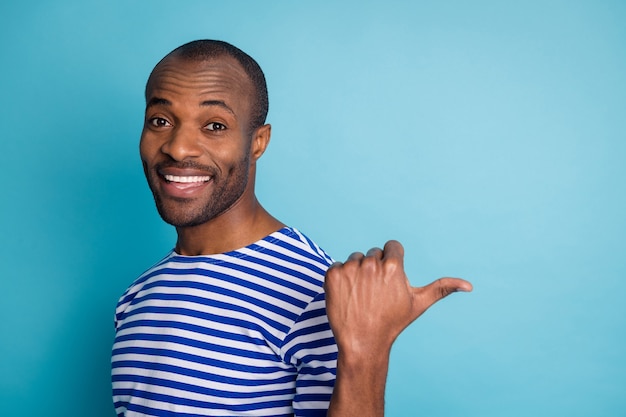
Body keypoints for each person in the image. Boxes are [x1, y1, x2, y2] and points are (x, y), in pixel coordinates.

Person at [111, 39, 472, 417]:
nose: (179, 148)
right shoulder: (136, 297)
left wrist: (366, 351)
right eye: (161, 121)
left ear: (258, 142)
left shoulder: (316, 294)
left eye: (215, 125)